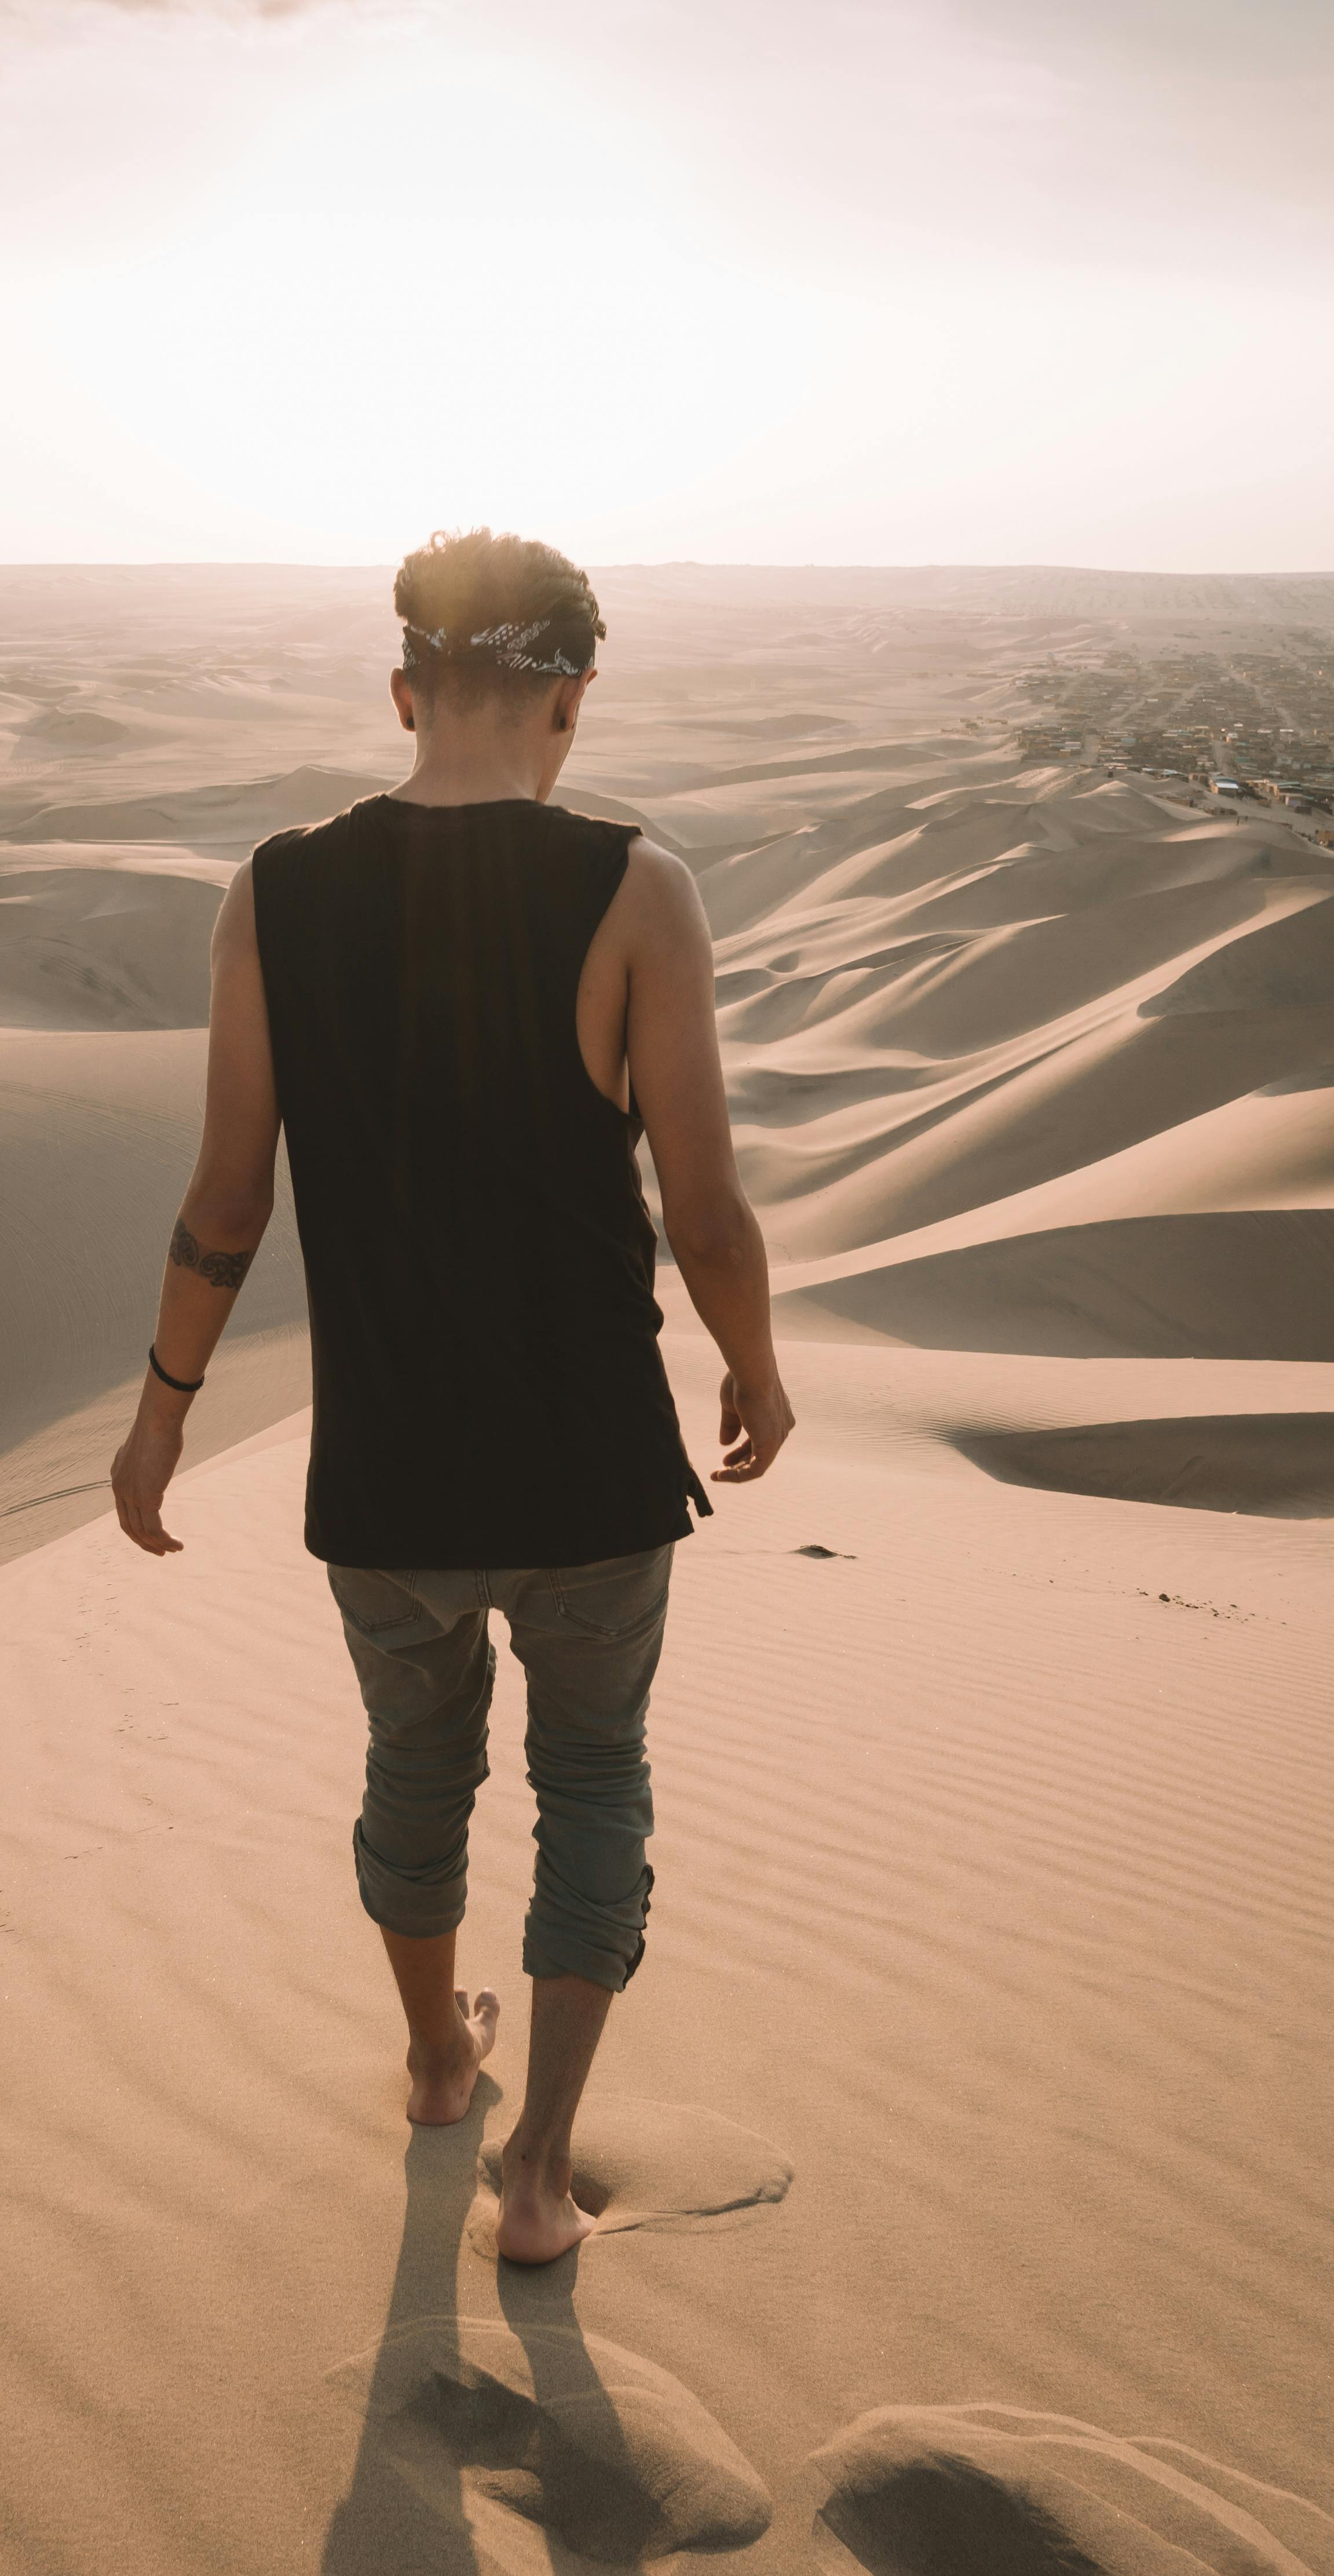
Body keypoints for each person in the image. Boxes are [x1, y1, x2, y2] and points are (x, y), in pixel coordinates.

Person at [111, 529, 793, 2264]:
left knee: (416, 1774)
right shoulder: (640, 890)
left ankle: (435, 2063)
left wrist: (165, 1411)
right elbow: (705, 1207)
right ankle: (543, 2173)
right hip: (589, 1474)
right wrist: (760, 1370)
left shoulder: (271, 889)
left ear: (405, 693)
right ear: (568, 702)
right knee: (595, 1778)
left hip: (392, 1480)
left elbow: (227, 1200)